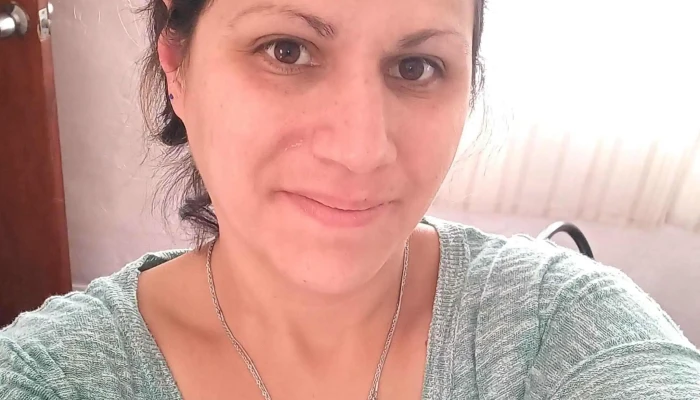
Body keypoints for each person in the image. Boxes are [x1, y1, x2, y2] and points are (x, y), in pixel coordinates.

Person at [2, 0, 700, 398]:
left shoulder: (558, 328)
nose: (361, 149)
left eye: (416, 66)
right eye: (286, 50)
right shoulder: (56, 374)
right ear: (178, 69)